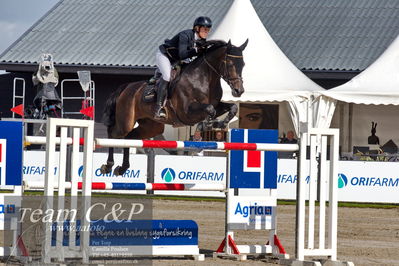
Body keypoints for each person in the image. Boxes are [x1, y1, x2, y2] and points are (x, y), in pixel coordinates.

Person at [155, 16, 212, 119]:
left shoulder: (202, 40)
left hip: (178, 59)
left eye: (208, 30)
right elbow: (182, 54)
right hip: (165, 56)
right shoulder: (185, 35)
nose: (206, 32)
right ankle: (159, 107)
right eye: (204, 29)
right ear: (197, 28)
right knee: (168, 76)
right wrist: (195, 51)